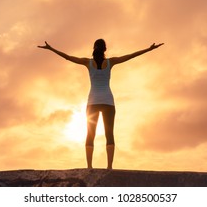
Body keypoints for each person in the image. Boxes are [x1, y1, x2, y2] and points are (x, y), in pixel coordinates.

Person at [38, 39, 164, 169]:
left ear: (94, 48)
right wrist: (149, 49)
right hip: (108, 102)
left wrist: (51, 49)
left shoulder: (88, 62)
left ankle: (89, 167)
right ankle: (109, 167)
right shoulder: (110, 62)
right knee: (109, 134)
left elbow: (68, 58)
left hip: (92, 102)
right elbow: (130, 56)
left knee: (90, 134)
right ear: (105, 49)